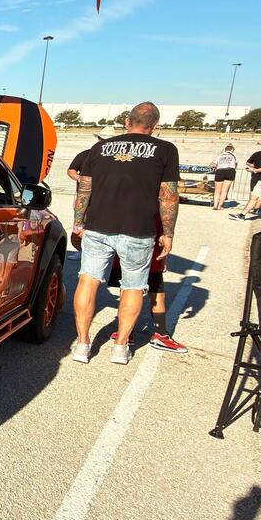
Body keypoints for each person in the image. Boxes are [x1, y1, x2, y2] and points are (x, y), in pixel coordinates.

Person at [72, 101, 180, 365]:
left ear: (127, 122)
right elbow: (168, 196)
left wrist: (77, 223)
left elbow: (84, 189)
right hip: (139, 229)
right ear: (155, 126)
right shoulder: (165, 149)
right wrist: (168, 233)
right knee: (132, 287)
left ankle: (82, 344)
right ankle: (120, 348)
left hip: (97, 226)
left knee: (88, 281)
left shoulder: (99, 148)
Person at [106, 215, 188, 353]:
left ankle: (154, 334)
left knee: (146, 291)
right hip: (139, 245)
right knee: (140, 291)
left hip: (145, 247)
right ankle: (133, 332)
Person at [210, 144, 238, 210]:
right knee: (224, 190)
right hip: (230, 170)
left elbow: (213, 164)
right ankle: (220, 206)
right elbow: (236, 164)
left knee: (217, 190)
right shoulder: (234, 155)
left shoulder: (220, 155)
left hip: (220, 170)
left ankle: (215, 205)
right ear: (232, 150)